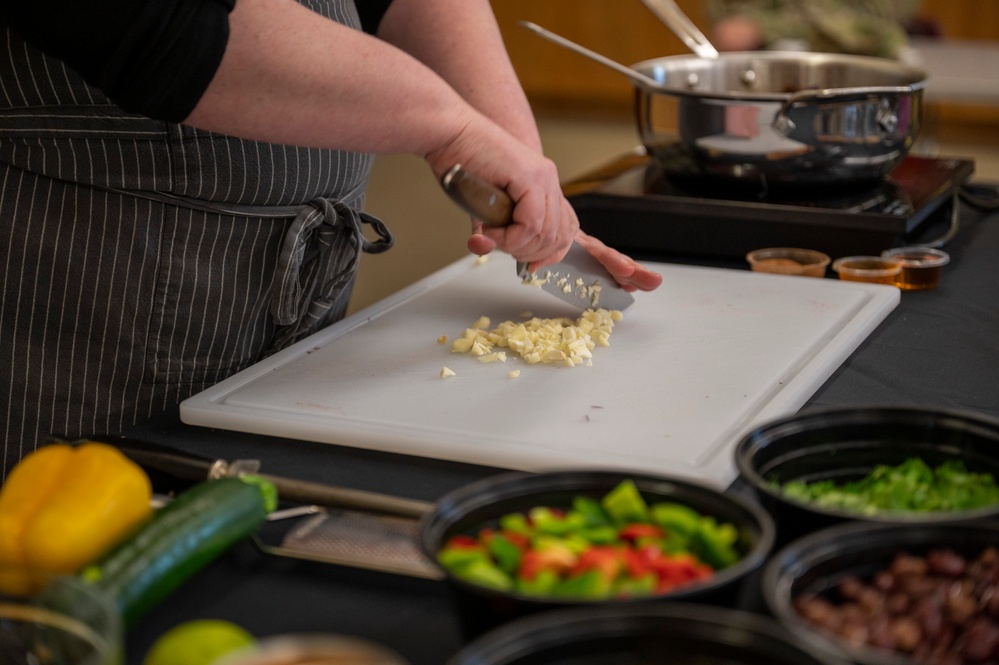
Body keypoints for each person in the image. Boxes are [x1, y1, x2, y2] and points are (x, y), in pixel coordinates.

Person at [0, 0, 663, 478]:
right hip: (96, 280)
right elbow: (164, 21)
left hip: (286, 306)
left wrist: (523, 173)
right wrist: (452, 130)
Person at [706, 0, 924, 59]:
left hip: (856, 77)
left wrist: (767, 26)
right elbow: (729, 24)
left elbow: (881, 29)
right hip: (761, 73)